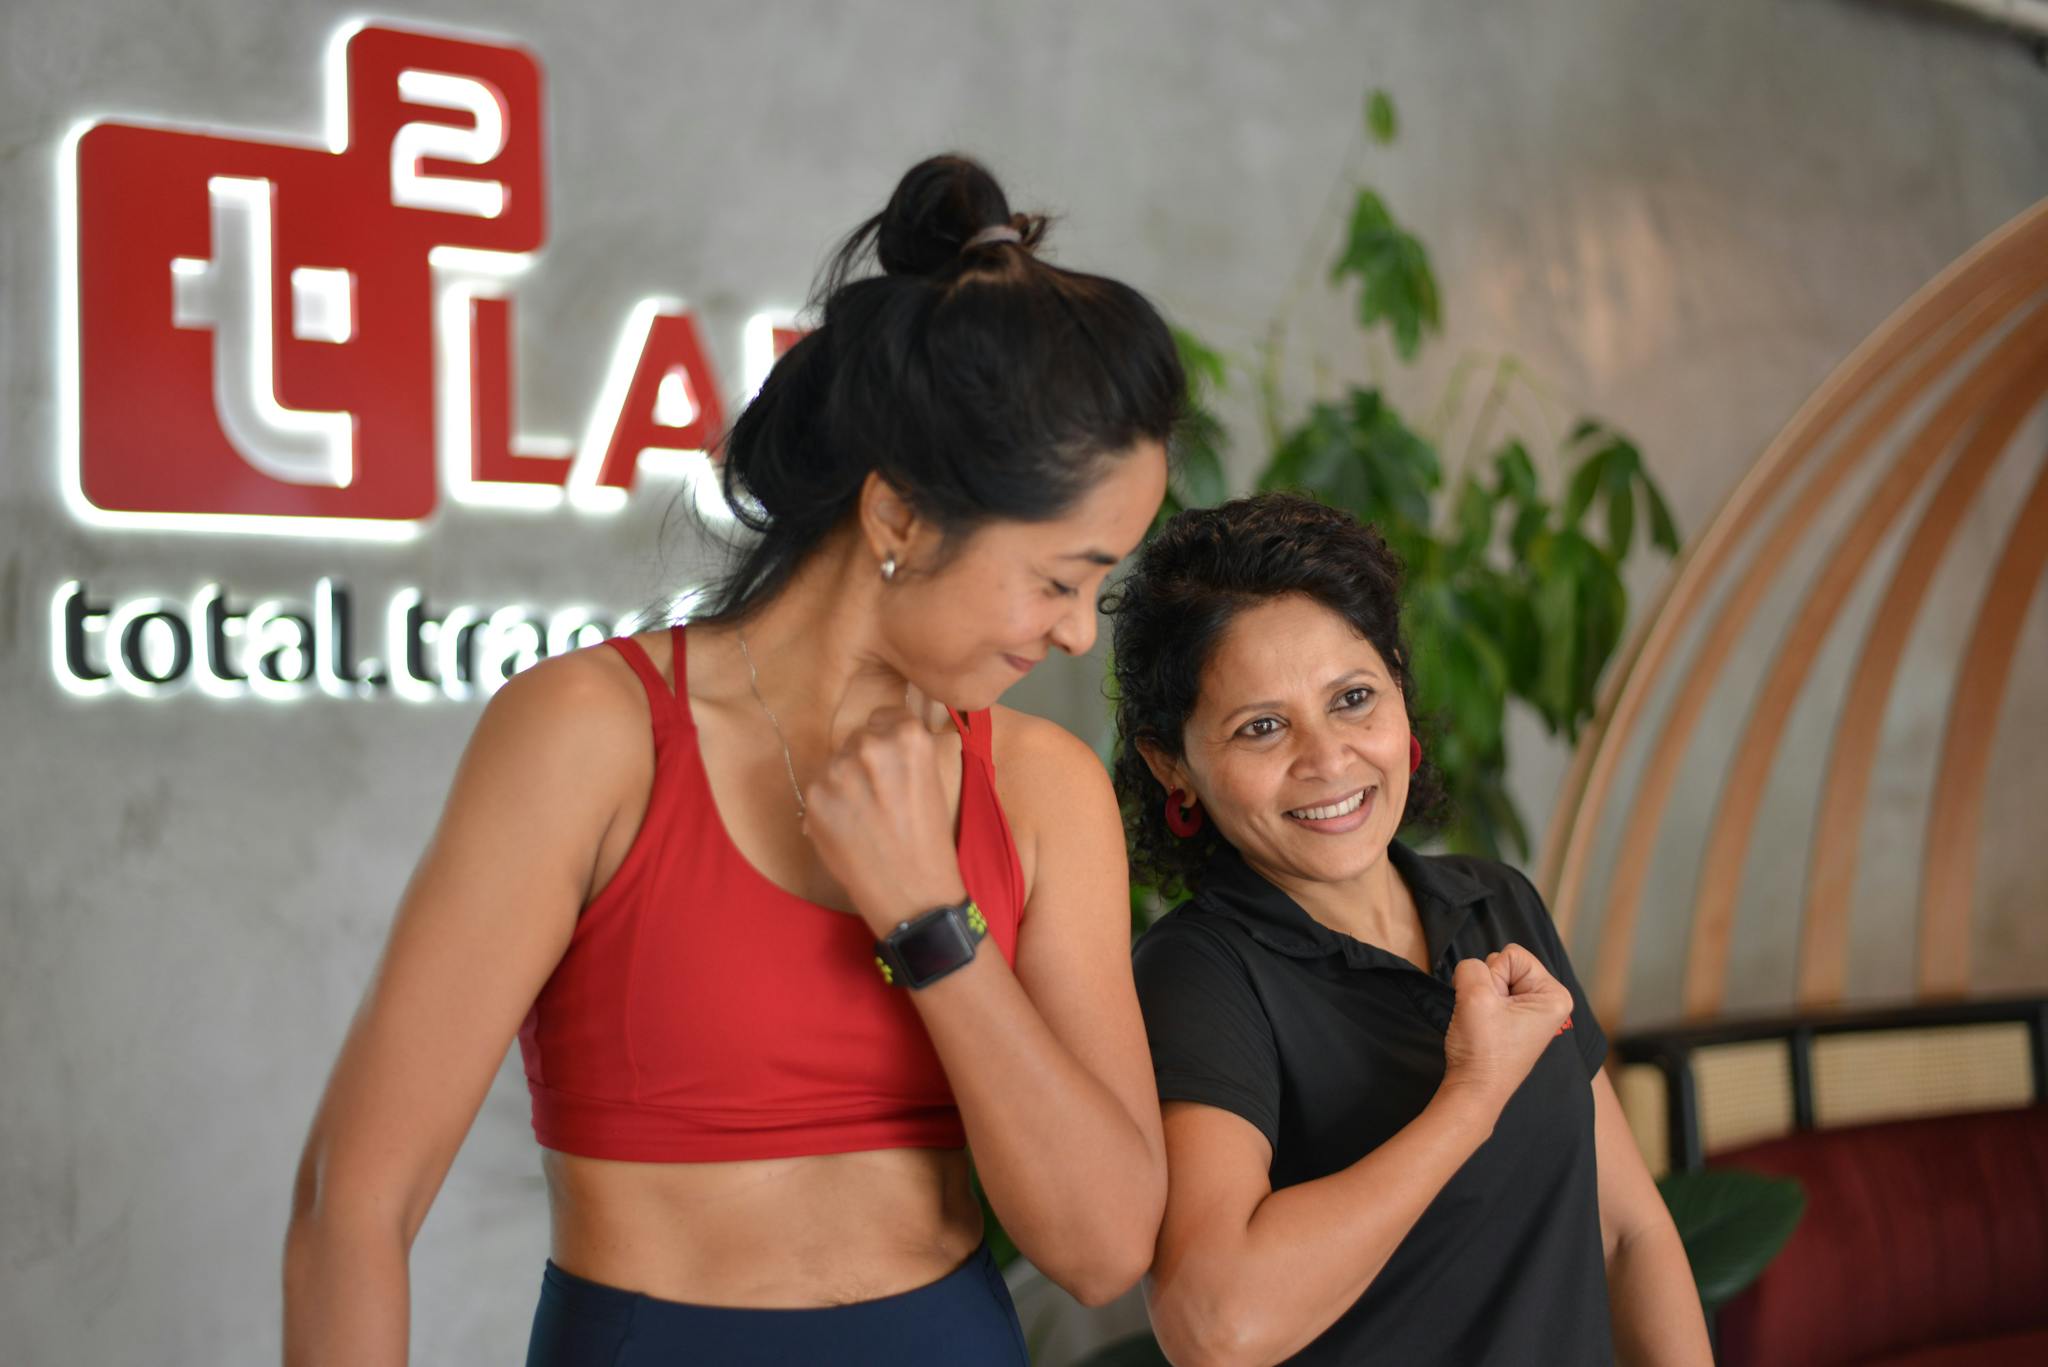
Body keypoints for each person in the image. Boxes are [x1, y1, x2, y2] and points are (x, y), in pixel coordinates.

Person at [284, 155, 1185, 1366]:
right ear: (900, 516)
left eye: (1100, 586)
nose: (1079, 630)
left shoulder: (1039, 784)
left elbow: (1102, 1244)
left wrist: (929, 916)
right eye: (1058, 576)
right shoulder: (589, 735)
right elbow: (353, 1203)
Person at [1106, 493, 1712, 1366]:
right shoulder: (1198, 974)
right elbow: (1215, 1323)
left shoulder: (1495, 902)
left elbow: (1627, 1233)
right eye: (1263, 726)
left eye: (1353, 698)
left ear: (1399, 685)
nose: (1327, 758)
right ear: (1175, 764)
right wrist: (1471, 1097)